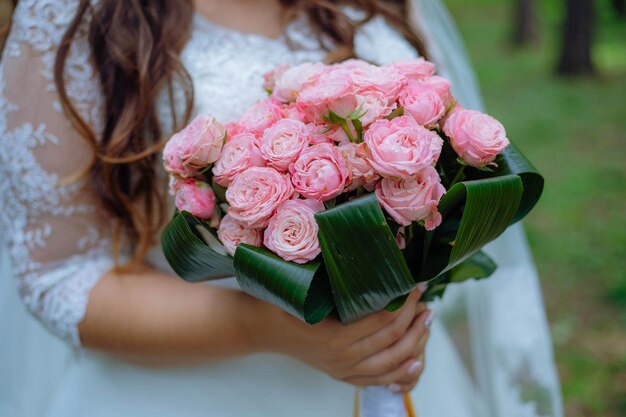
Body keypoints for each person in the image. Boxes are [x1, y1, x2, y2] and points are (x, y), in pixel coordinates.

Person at [0, 1, 564, 416]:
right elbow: (58, 274)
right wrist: (267, 325)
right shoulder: (74, 18)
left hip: (402, 382)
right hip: (193, 393)